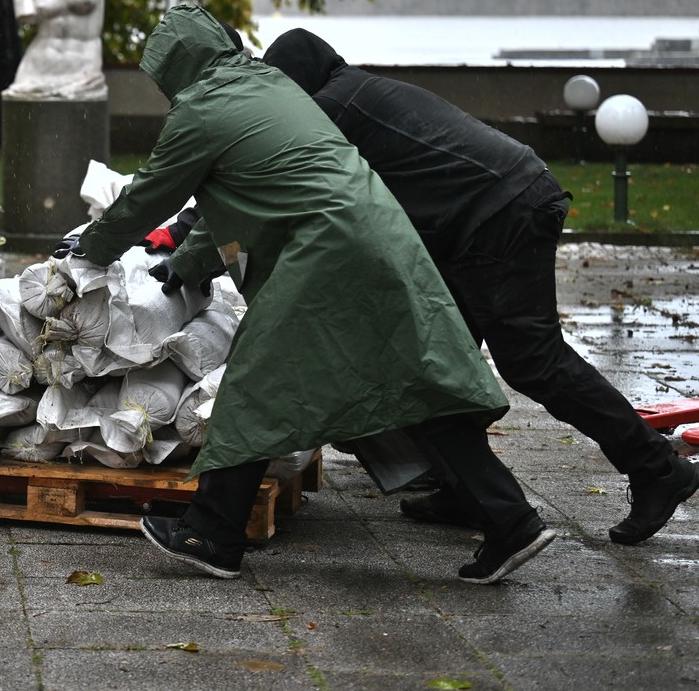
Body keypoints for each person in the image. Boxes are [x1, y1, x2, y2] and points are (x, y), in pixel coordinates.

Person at [55, 4, 554, 585]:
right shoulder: (268, 86)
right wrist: (190, 264)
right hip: (381, 240)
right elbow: (245, 194)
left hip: (324, 257)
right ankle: (512, 521)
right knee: (415, 382)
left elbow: (143, 201)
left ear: (173, 67)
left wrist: (88, 249)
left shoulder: (200, 111)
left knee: (253, 380)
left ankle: (211, 533)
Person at [262, 27, 698, 545]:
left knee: (534, 361)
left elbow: (279, 179)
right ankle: (467, 489)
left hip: (499, 215)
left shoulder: (331, 107)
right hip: (495, 209)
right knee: (436, 362)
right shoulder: (359, 89)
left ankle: (658, 470)